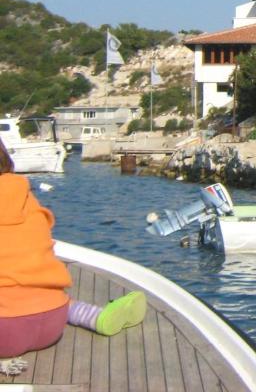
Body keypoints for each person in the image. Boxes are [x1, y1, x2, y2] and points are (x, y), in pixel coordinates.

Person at [0, 141, 147, 359]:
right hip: (52, 322)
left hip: (6, 332)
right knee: (37, 292)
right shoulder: (25, 197)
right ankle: (95, 316)